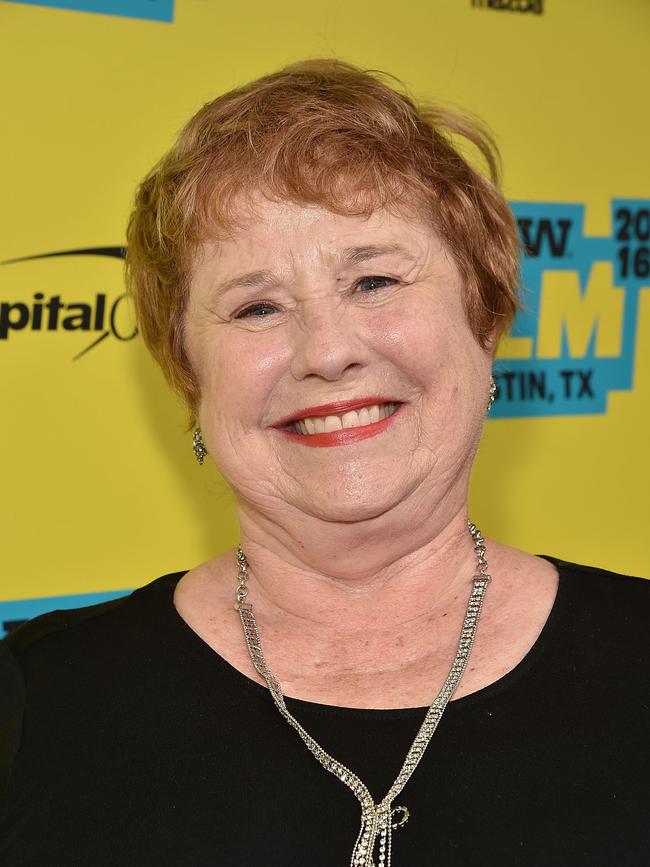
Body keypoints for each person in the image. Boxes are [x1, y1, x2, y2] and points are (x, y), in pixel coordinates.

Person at [0, 59, 648, 867]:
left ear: (484, 323)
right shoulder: (32, 704)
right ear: (190, 374)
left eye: (374, 280)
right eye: (257, 306)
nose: (329, 351)